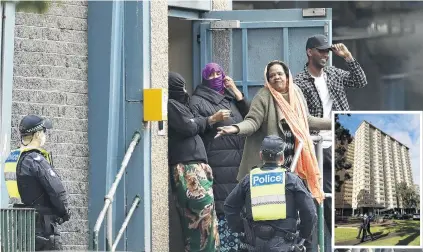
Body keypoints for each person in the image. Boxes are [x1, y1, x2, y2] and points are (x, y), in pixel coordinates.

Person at [294, 34, 368, 242]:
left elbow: (360, 81)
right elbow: (302, 117)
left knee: (348, 193)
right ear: (310, 52)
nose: (326, 54)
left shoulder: (333, 73)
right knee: (326, 196)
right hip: (319, 145)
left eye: (328, 51)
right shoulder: (299, 81)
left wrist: (348, 57)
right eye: (321, 50)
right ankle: (330, 241)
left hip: (342, 144)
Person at [190, 63, 250, 251]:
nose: (215, 77)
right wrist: (212, 120)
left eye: (219, 73)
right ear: (204, 78)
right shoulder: (196, 101)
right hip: (218, 164)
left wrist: (237, 93)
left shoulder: (230, 99)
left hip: (239, 164)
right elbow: (192, 126)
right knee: (224, 212)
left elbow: (252, 119)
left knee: (241, 214)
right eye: (211, 74)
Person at [223, 135, 317, 251]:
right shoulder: (291, 180)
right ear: (282, 157)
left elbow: (229, 206)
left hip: (254, 244)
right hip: (285, 244)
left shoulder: (248, 180)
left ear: (261, 155)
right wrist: (303, 236)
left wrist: (242, 229)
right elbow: (310, 213)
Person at [168, 72, 223, 251]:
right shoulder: (170, 104)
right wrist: (207, 120)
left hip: (197, 167)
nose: (185, 91)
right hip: (188, 169)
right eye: (180, 87)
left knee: (208, 224)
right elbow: (188, 126)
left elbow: (192, 122)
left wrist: (197, 120)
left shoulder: (182, 105)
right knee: (200, 220)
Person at [4, 115, 70, 250]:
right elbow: (57, 191)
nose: (45, 135)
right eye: (44, 131)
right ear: (37, 134)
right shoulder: (35, 160)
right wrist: (64, 213)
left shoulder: (12, 158)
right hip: (41, 227)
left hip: (19, 224)